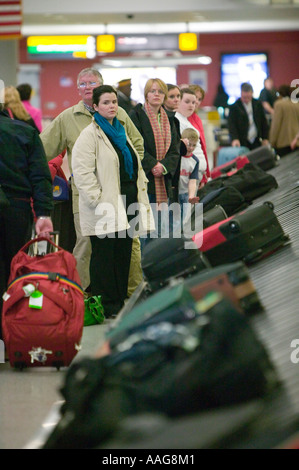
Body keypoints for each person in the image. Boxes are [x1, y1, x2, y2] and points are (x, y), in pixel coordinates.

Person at [40, 68, 144, 297]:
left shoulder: (120, 115)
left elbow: (137, 145)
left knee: (126, 243)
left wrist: (130, 174)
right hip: (87, 194)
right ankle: (79, 296)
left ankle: (126, 293)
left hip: (121, 191)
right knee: (87, 243)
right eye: (83, 84)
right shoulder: (68, 117)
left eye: (92, 83)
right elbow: (43, 148)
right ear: (78, 89)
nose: (88, 87)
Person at [72, 85, 154, 318]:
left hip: (127, 200)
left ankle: (119, 303)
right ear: (95, 107)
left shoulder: (121, 131)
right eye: (106, 103)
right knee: (104, 257)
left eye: (114, 102)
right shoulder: (89, 135)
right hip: (105, 204)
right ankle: (105, 305)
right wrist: (98, 199)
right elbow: (82, 172)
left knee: (123, 253)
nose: (112, 106)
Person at [0, 105, 53, 339]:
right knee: (14, 273)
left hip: (14, 205)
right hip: (16, 209)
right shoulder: (25, 132)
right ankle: (10, 335)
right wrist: (43, 214)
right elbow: (41, 176)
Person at [129, 78, 180, 243]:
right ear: (146, 95)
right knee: (144, 232)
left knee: (161, 231)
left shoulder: (168, 119)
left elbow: (175, 150)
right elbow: (135, 145)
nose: (156, 95)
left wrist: (163, 166)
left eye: (160, 92)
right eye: (153, 91)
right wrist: (152, 165)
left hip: (163, 180)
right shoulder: (136, 115)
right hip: (144, 181)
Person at [175, 87, 207, 188]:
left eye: (193, 102)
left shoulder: (185, 120)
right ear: (178, 102)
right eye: (187, 102)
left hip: (195, 173)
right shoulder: (177, 120)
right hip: (186, 175)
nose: (191, 105)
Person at [228, 82, 269, 150]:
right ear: (241, 94)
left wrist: (265, 138)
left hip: (256, 140)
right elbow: (231, 125)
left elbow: (263, 122)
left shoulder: (258, 104)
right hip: (241, 141)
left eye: (248, 97)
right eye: (244, 97)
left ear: (252, 94)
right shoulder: (234, 107)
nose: (246, 99)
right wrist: (234, 139)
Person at [187, 85, 211, 184]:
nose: (197, 101)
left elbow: (203, 148)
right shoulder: (184, 117)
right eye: (195, 97)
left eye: (199, 99)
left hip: (200, 171)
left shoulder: (196, 118)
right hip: (189, 172)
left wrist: (206, 173)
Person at [269, 84, 299, 157]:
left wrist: (272, 142)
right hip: (296, 141)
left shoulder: (279, 104)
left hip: (283, 143)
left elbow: (276, 125)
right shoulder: (296, 104)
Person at [178, 128, 200, 222]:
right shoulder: (177, 157)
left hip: (185, 193)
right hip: (174, 193)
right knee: (173, 219)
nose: (191, 148)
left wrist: (191, 196)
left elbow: (192, 181)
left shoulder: (195, 161)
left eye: (194, 145)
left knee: (183, 220)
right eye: (189, 145)